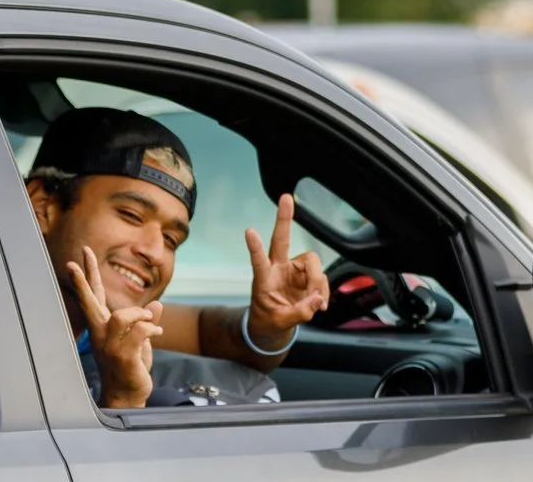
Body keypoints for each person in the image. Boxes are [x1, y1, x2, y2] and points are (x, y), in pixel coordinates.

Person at [25, 107, 330, 408]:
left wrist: (268, 323)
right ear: (44, 206)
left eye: (171, 240)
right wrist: (122, 399)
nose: (155, 252)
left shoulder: (87, 323)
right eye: (131, 215)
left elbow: (207, 333)